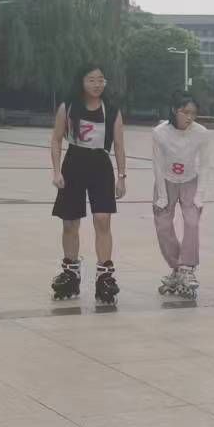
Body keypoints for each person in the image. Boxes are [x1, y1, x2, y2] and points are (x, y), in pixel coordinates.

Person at [50, 65, 127, 305]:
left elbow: (119, 145)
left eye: (101, 80)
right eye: (91, 80)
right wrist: (56, 171)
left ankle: (104, 276)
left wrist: (121, 176)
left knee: (103, 219)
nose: (97, 84)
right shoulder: (68, 107)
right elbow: (56, 139)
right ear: (81, 82)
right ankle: (70, 272)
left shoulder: (112, 110)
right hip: (73, 163)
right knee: (70, 221)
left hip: (100, 166)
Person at [150, 94, 209, 299]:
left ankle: (187, 267)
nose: (189, 117)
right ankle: (177, 268)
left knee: (192, 222)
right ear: (175, 110)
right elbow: (157, 164)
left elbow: (205, 164)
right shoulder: (159, 132)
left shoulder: (201, 133)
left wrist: (199, 194)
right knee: (163, 225)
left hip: (190, 180)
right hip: (165, 180)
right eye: (185, 112)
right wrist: (162, 196)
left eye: (193, 113)